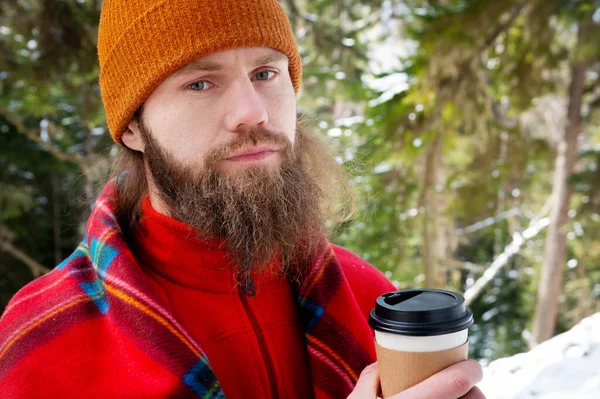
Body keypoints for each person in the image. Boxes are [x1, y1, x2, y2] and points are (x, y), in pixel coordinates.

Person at [0, 1, 485, 398]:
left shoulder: (366, 298)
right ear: (132, 127)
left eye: (266, 73)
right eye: (200, 83)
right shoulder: (45, 343)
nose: (252, 112)